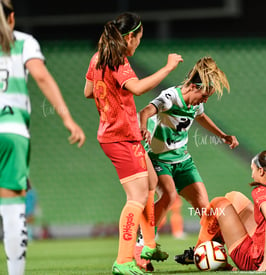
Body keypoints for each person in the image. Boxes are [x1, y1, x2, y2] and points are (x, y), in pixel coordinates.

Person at [83, 12, 182, 275]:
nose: (138, 43)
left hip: (122, 134)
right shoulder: (118, 60)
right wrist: (168, 68)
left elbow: (88, 91)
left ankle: (148, 245)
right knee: (136, 198)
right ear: (129, 37)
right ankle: (123, 261)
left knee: (151, 183)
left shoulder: (98, 58)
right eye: (138, 38)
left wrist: (112, 103)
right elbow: (137, 89)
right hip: (120, 138)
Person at [0, 1, 85, 274]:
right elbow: (42, 77)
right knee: (13, 205)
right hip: (12, 132)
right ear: (11, 17)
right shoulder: (24, 42)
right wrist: (67, 118)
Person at [138, 56, 238, 264]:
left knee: (205, 208)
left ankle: (207, 255)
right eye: (204, 95)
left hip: (183, 161)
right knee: (169, 196)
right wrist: (142, 127)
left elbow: (201, 116)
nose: (205, 100)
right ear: (193, 86)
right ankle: (143, 243)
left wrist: (222, 135)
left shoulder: (196, 103)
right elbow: (145, 111)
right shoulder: (171, 96)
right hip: (160, 159)